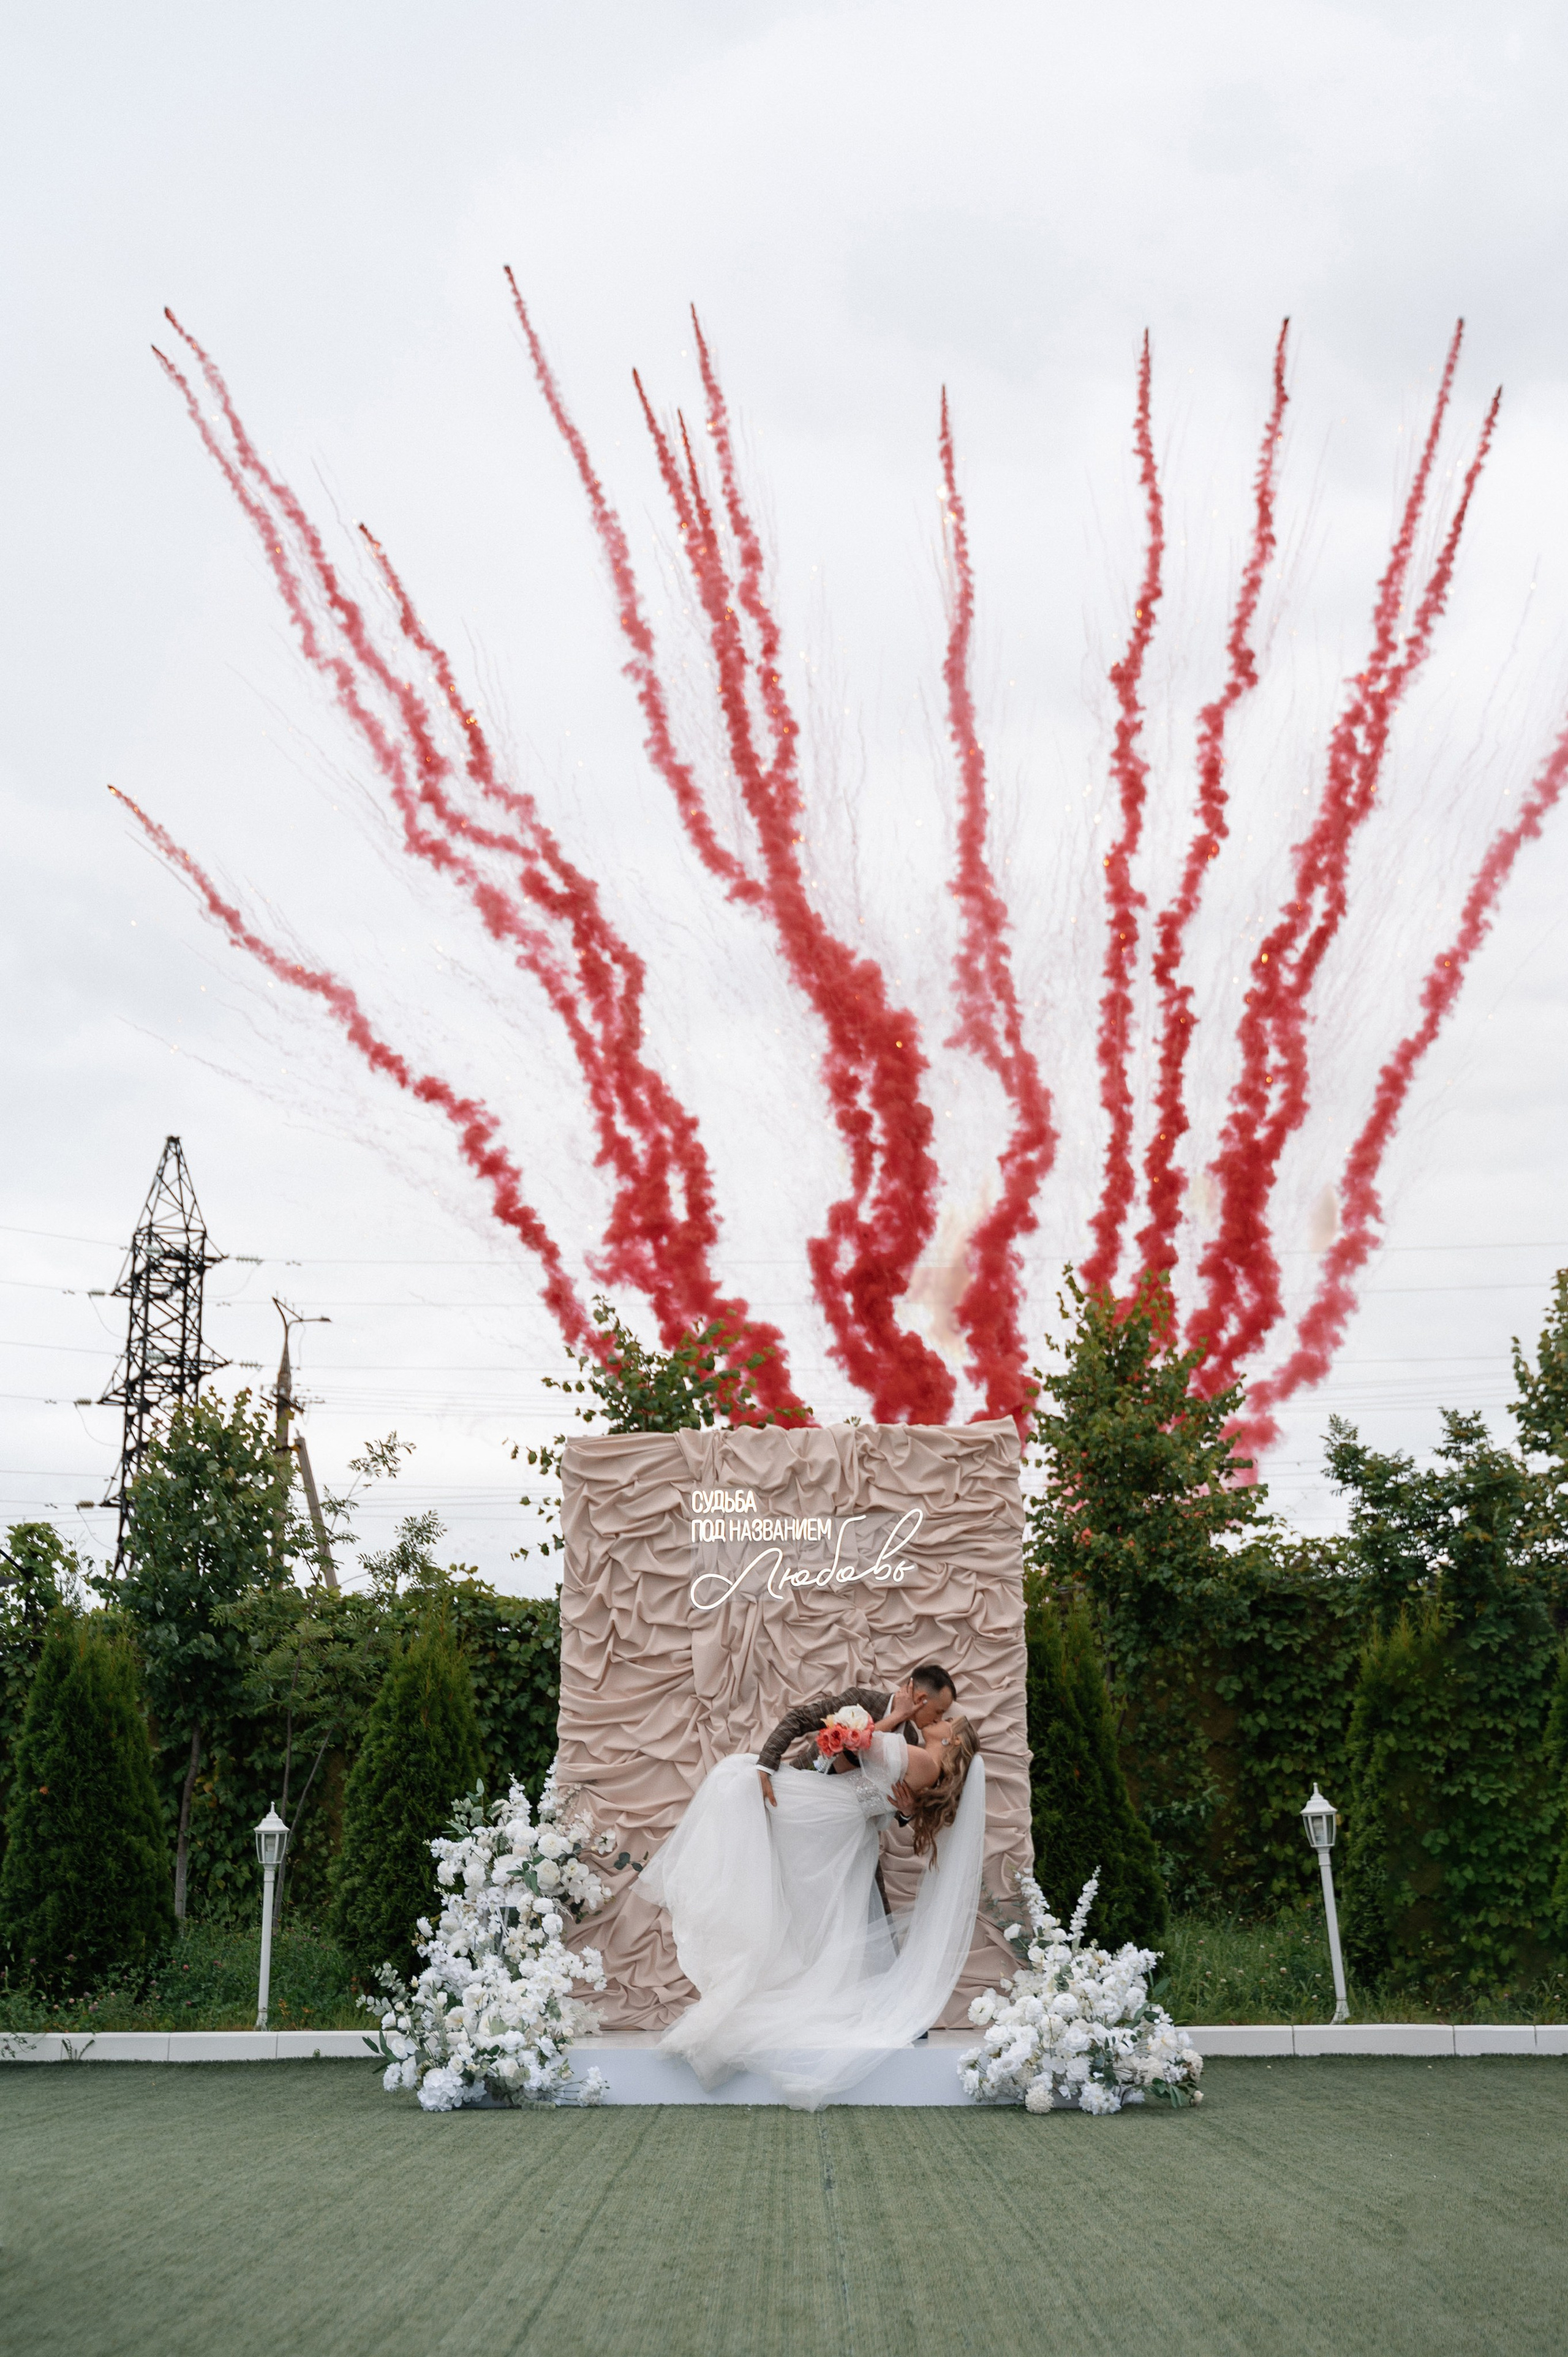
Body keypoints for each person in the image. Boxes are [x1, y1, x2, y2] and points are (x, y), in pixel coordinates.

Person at [632, 1675, 986, 2108]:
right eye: (938, 1710)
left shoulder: (919, 1748)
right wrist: (770, 1764)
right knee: (745, 1784)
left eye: (947, 1719)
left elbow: (863, 1748)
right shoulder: (871, 1705)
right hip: (826, 1807)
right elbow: (829, 1742)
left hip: (841, 1826)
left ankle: (883, 2010)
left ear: (950, 1741)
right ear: (918, 1693)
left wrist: (903, 1806)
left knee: (839, 1916)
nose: (940, 1718)